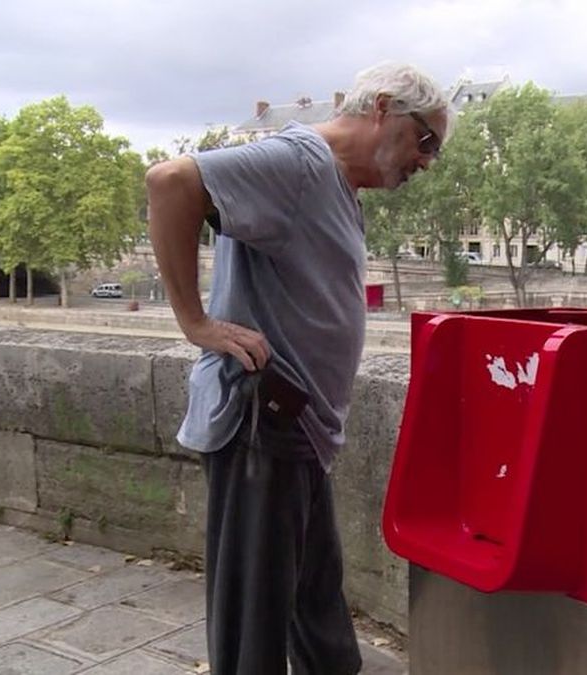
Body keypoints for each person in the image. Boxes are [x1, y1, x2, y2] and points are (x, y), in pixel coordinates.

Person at [145, 62, 449, 675]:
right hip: (263, 424)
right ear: (383, 108)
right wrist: (194, 323)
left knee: (314, 608)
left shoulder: (333, 183)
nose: (426, 162)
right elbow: (170, 182)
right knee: (252, 624)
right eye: (426, 142)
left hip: (296, 432)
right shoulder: (300, 163)